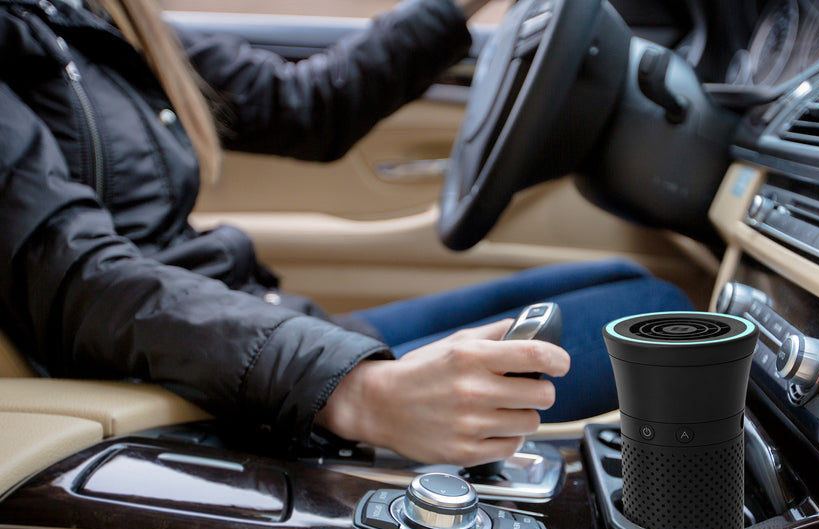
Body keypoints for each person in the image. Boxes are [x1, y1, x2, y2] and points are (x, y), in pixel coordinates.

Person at [0, 0, 691, 466]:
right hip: (194, 385)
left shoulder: (86, 15)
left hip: (246, 331)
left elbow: (309, 104)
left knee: (631, 284)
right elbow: (77, 276)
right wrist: (355, 390)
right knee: (657, 317)